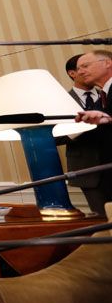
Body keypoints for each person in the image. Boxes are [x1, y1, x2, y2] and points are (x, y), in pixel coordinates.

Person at [59, 55, 106, 215]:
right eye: (84, 67)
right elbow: (54, 137)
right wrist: (80, 127)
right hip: (87, 170)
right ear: (73, 73)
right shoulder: (61, 100)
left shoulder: (106, 94)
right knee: (103, 220)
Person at [72, 50, 112, 216]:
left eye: (85, 66)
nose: (80, 72)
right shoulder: (100, 99)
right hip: (102, 171)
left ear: (107, 63)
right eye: (78, 68)